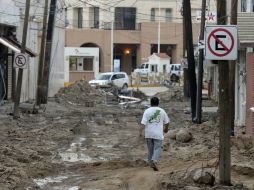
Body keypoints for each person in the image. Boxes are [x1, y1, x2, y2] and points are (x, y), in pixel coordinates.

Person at [139, 97, 170, 171]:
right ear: (158, 103)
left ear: (150, 103)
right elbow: (167, 122)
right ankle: (154, 160)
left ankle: (151, 163)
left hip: (148, 134)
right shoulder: (162, 111)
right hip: (158, 134)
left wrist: (140, 132)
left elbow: (143, 123)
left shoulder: (147, 111)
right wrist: (166, 129)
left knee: (150, 150)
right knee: (158, 147)